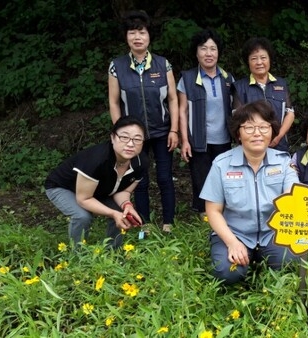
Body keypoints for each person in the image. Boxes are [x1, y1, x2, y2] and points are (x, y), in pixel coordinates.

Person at [200, 100, 300, 285]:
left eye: (264, 127)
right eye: (249, 127)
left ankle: (263, 256)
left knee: (292, 265)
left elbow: (292, 196)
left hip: (274, 233)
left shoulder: (284, 162)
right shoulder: (221, 164)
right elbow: (213, 211)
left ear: (272, 131)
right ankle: (243, 254)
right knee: (226, 272)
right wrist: (232, 242)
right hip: (235, 232)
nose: (257, 133)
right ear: (238, 133)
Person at [108, 10, 179, 233]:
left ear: (149, 36)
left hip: (162, 131)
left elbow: (173, 98)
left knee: (165, 177)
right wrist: (121, 135)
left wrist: (174, 130)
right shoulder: (116, 66)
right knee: (139, 181)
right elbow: (113, 102)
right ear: (126, 37)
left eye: (142, 32)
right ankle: (144, 224)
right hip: (133, 138)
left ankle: (169, 223)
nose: (137, 37)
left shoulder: (162, 64)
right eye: (132, 33)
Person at [45, 116, 149, 248]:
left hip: (97, 189)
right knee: (82, 216)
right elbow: (84, 199)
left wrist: (127, 205)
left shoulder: (141, 162)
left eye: (137, 139)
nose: (130, 144)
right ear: (112, 138)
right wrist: (112, 213)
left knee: (121, 212)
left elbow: (124, 190)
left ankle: (113, 253)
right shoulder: (97, 160)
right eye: (124, 137)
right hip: (62, 187)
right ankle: (78, 257)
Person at [178, 28, 235, 217]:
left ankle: (222, 210)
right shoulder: (187, 78)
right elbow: (182, 111)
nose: (208, 53)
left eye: (213, 48)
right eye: (203, 48)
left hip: (224, 138)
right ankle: (203, 212)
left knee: (223, 176)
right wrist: (185, 140)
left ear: (218, 52)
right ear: (196, 52)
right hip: (198, 139)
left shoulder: (228, 78)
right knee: (200, 176)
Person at [231, 37, 294, 152]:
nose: (259, 62)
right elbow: (237, 119)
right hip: (251, 146)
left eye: (263, 58)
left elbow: (290, 113)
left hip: (279, 145)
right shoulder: (239, 87)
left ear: (270, 59)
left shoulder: (281, 84)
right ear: (247, 62)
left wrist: (278, 136)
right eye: (254, 59)